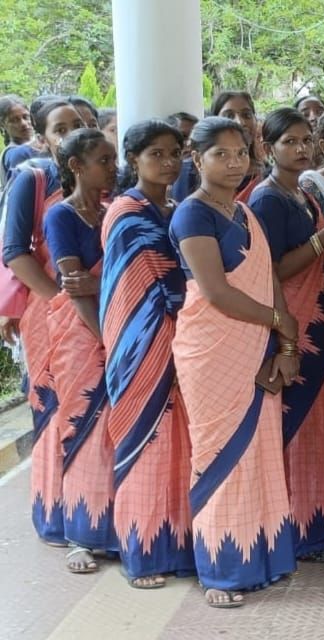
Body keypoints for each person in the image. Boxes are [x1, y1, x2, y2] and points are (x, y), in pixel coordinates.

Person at [169, 116, 300, 608]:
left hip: (257, 343)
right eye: (220, 154)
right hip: (212, 350)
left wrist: (286, 344)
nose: (233, 162)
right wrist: (279, 322)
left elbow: (269, 281)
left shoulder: (246, 213)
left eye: (241, 152)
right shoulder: (192, 215)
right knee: (219, 455)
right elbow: (217, 292)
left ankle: (260, 556)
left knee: (260, 450)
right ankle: (221, 571)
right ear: (196, 159)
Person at [248, 108, 324, 563]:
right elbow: (271, 269)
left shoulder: (303, 195)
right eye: (289, 142)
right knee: (298, 424)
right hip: (295, 321)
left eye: (305, 140)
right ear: (267, 148)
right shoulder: (267, 199)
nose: (301, 149)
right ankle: (297, 529)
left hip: (323, 318)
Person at [101, 120, 196, 589]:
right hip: (139, 340)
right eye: (156, 153)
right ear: (133, 159)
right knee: (146, 439)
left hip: (182, 334)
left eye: (175, 152)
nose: (168, 162)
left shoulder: (177, 208)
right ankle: (142, 554)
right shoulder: (126, 212)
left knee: (180, 441)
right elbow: (143, 281)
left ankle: (179, 544)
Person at [3, 98, 86, 545]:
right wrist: (60, 300)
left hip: (94, 310)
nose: (71, 133)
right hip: (49, 310)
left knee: (90, 405)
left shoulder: (106, 177)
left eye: (79, 124)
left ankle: (91, 511)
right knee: (53, 406)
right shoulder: (33, 180)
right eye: (60, 128)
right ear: (43, 137)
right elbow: (15, 252)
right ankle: (56, 516)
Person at [43, 128, 119, 572]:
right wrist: (105, 337)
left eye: (113, 160)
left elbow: (111, 277)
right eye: (103, 161)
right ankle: (81, 535)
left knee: (115, 429)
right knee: (83, 430)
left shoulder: (111, 211)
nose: (113, 168)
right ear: (75, 166)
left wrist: (100, 285)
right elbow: (74, 288)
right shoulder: (61, 215)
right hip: (82, 336)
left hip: (114, 328)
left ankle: (115, 526)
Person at [172, 91, 263, 202]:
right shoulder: (189, 169)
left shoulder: (264, 170)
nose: (240, 122)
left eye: (247, 115)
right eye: (229, 116)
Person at [1, 95, 38, 184]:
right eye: (14, 120)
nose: (23, 123)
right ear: (2, 125)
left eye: (25, 117)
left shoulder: (40, 143)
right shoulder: (16, 154)